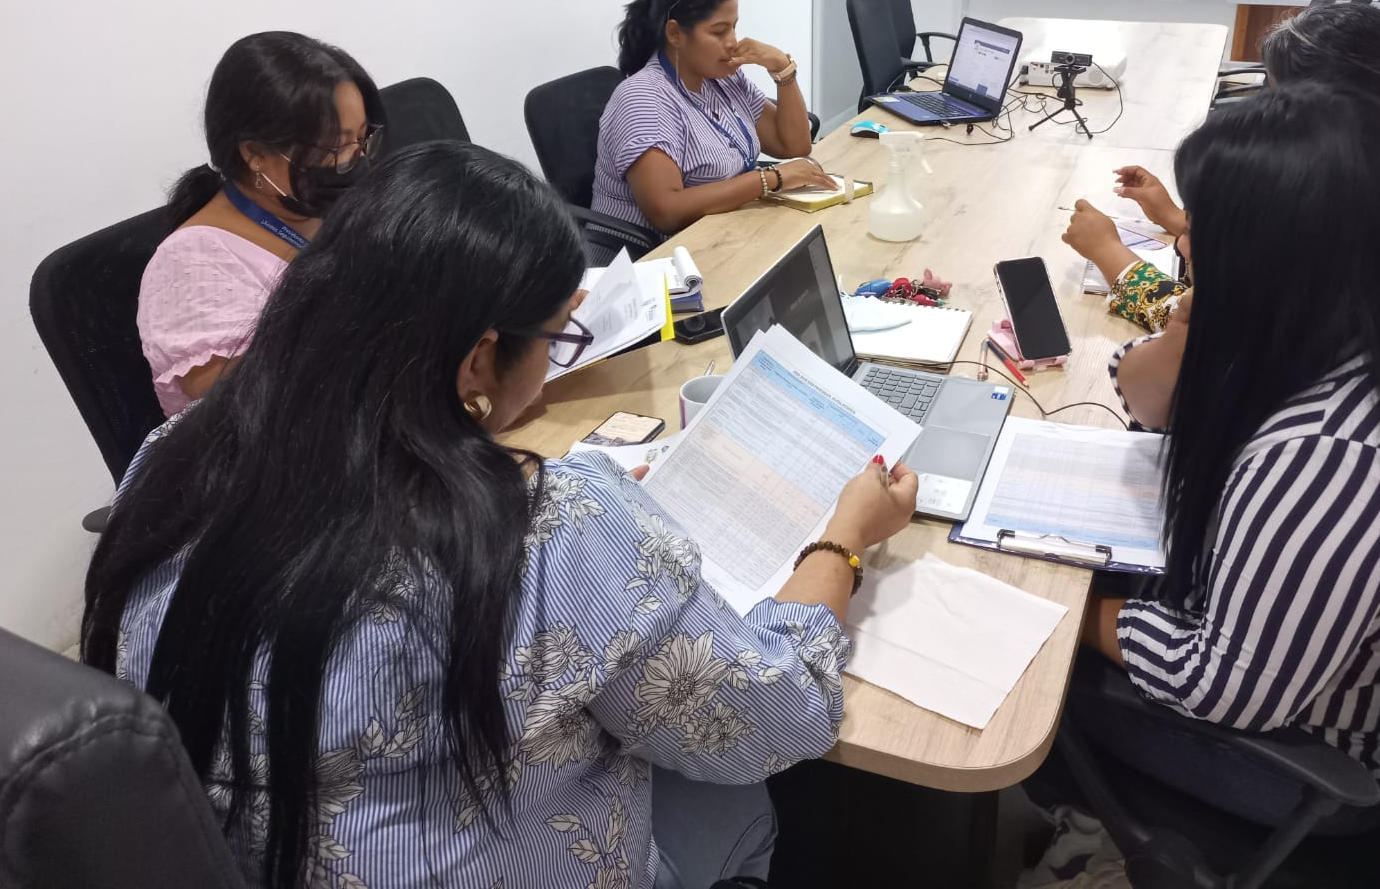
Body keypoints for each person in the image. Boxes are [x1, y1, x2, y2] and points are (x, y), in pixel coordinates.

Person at [84, 141, 919, 889]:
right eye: (558, 339)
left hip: (256, 856)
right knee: (742, 802)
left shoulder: (172, 455)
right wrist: (843, 540)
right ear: (479, 359)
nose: (558, 356)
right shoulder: (549, 527)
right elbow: (777, 720)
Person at [1051, 87, 1380, 825]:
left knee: (1022, 679)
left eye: (1203, 228)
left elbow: (1222, 686)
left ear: (1279, 252)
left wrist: (1069, 612)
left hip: (1290, 759)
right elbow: (1151, 401)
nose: (1183, 245)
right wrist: (1189, 322)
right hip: (1271, 652)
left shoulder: (1337, 461)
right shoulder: (1353, 334)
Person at [1062, 0, 1380, 331]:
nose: (1265, 113)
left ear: (1327, 116)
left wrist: (1110, 253)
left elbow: (1213, 333)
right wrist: (1175, 218)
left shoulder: (1331, 219)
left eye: (1277, 99)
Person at [137, 31, 384, 415]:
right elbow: (252, 415)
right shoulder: (192, 266)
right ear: (255, 154)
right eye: (335, 146)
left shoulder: (324, 207)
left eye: (362, 138)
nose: (353, 159)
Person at [592, 0, 838, 237]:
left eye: (733, 27)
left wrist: (783, 69)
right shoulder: (643, 99)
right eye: (719, 32)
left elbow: (794, 145)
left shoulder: (722, 77)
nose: (732, 42)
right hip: (653, 254)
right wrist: (770, 179)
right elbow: (667, 211)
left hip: (721, 233)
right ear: (675, 34)